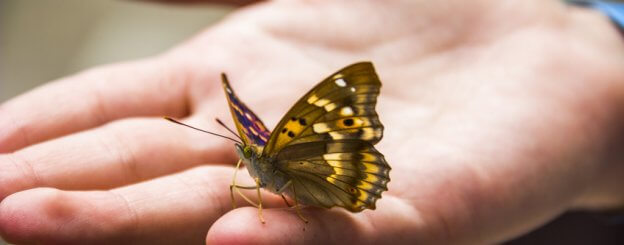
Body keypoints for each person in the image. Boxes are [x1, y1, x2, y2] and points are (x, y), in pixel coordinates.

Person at [1, 0, 623, 244]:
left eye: (244, 147)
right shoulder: (256, 163)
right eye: (243, 150)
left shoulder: (273, 159)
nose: (241, 160)